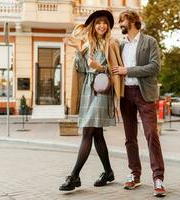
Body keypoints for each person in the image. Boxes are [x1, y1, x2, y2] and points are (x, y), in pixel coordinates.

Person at [59, 10, 123, 191]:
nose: (101, 26)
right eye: (98, 23)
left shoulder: (112, 44)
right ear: (93, 26)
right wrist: (77, 51)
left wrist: (100, 67)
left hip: (102, 91)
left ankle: (74, 176)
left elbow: (115, 72)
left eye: (104, 23)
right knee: (97, 134)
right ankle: (108, 171)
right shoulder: (87, 44)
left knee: (87, 131)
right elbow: (80, 68)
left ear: (108, 26)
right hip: (88, 89)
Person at [112, 10, 166, 197]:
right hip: (125, 95)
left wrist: (128, 70)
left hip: (145, 94)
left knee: (151, 134)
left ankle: (158, 178)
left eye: (122, 20)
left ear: (133, 21)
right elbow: (113, 68)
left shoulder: (149, 41)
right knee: (129, 138)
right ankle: (135, 174)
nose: (120, 24)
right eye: (120, 21)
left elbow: (154, 67)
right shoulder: (120, 46)